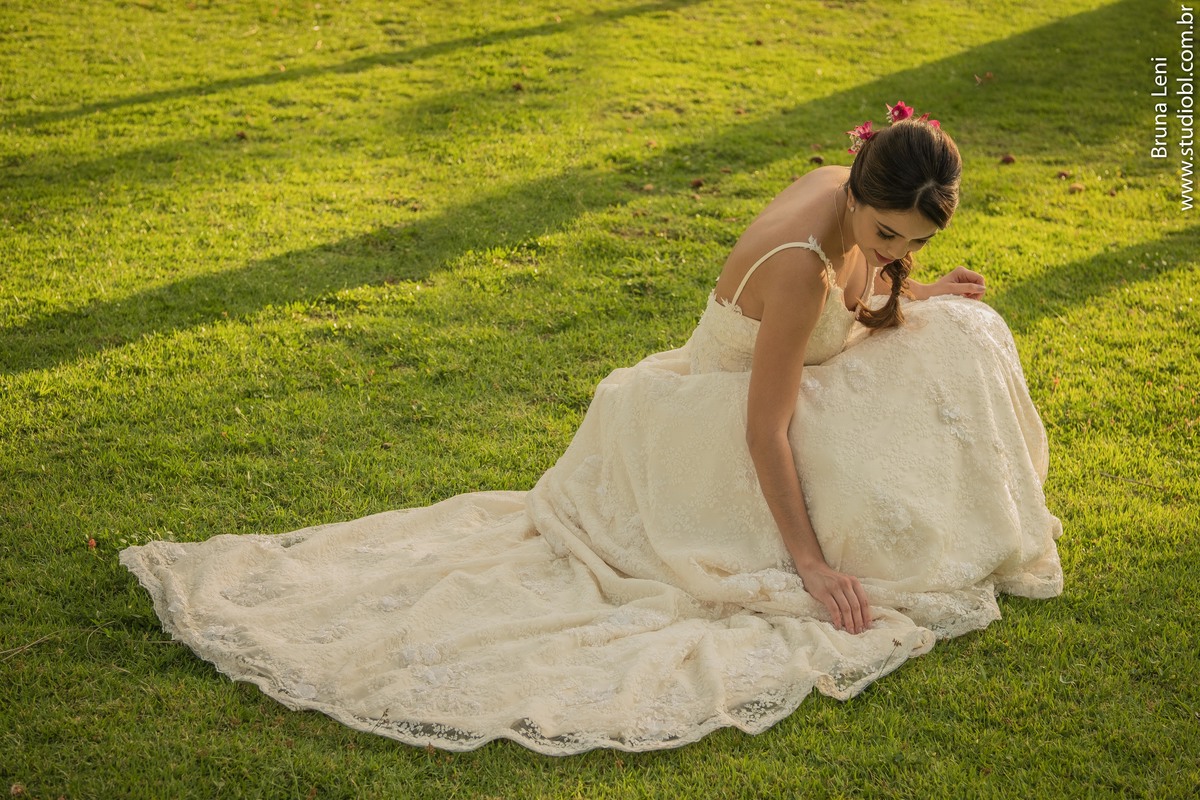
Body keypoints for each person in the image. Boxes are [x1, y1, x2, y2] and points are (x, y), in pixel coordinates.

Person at [121, 103, 1063, 755]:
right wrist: (809, 564)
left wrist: (918, 289)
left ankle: (968, 518)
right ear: (857, 193)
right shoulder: (799, 271)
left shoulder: (851, 204)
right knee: (902, 422)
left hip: (806, 376)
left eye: (915, 243)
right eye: (889, 236)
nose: (896, 253)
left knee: (967, 330)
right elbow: (763, 429)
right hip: (715, 423)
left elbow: (867, 294)